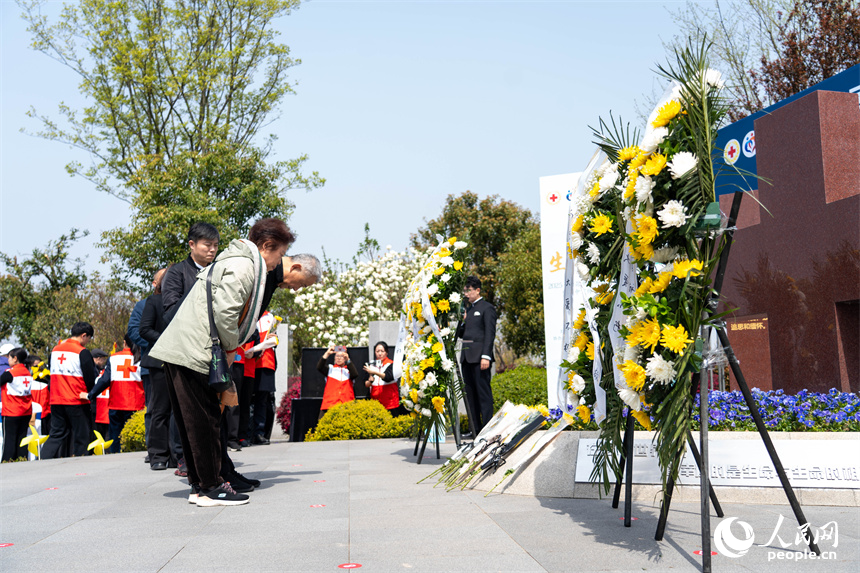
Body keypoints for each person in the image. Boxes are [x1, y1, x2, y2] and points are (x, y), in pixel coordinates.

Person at [149, 218, 314, 506]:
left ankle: (201, 487)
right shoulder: (244, 265)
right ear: (266, 247)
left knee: (196, 422)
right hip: (194, 349)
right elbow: (225, 312)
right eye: (279, 254)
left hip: (186, 348)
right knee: (204, 421)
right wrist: (228, 350)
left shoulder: (243, 263)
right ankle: (212, 486)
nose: (279, 262)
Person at [139, 267, 177, 470]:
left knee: (178, 411)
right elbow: (143, 329)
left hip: (181, 360)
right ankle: (158, 455)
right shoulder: (153, 302)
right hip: (160, 362)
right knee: (160, 410)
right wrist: (166, 340)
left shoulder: (184, 302)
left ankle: (176, 454)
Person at [41, 322, 97, 459]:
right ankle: (79, 464)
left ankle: (42, 460)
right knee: (81, 435)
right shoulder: (82, 352)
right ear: (84, 335)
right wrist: (90, 393)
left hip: (56, 399)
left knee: (56, 434)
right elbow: (90, 378)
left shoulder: (55, 350)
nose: (88, 342)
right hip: (76, 399)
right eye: (88, 338)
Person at [87, 336, 144, 454]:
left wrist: (91, 394)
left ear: (124, 343)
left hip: (116, 403)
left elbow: (104, 381)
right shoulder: (141, 357)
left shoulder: (114, 358)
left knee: (115, 437)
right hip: (136, 403)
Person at [456, 276, 497, 433]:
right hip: (466, 358)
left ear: (477, 290)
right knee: (470, 396)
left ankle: (487, 429)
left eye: (469, 290)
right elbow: (461, 334)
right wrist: (462, 321)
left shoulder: (487, 308)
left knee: (483, 395)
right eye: (465, 291)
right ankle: (475, 430)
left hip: (480, 358)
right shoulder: (468, 310)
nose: (466, 294)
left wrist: (486, 355)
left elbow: (489, 334)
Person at [162, 222, 220, 323]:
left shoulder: (218, 272)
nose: (213, 250)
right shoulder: (176, 272)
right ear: (192, 244)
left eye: (215, 245)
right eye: (208, 245)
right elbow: (171, 312)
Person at [1, 348, 35, 462]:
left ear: (15, 359)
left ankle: (7, 460)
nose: (8, 360)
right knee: (22, 436)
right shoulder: (28, 372)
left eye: (9, 357)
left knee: (10, 438)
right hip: (26, 411)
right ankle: (22, 458)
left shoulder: (10, 373)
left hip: (11, 411)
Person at [318, 345, 358, 418]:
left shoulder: (349, 370)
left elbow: (355, 374)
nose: (339, 358)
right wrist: (327, 353)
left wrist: (348, 360)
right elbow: (319, 367)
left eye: (341, 356)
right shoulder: (330, 369)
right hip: (329, 405)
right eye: (337, 356)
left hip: (346, 405)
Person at [363, 341, 403, 415]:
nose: (380, 353)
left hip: (390, 402)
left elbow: (387, 377)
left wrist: (374, 372)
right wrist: (370, 381)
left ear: (386, 352)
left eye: (382, 351)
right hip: (375, 402)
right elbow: (366, 384)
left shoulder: (392, 364)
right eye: (377, 351)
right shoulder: (371, 365)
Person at [90, 349, 111, 440]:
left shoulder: (98, 371)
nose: (103, 362)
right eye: (103, 359)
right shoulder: (96, 371)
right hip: (101, 407)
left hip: (99, 408)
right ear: (98, 358)